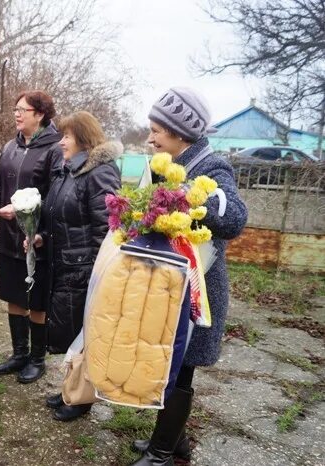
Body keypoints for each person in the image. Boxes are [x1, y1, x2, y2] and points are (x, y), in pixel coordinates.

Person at [130, 87, 248, 465]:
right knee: (169, 363)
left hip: (198, 293)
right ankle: (173, 442)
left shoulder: (213, 168)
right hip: (168, 285)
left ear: (180, 133)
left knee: (182, 369)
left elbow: (234, 218)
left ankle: (163, 452)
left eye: (156, 131)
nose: (150, 138)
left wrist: (187, 196)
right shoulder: (162, 166)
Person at [29, 111, 121, 421]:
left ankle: (82, 399)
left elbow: (107, 229)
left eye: (67, 136)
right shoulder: (66, 171)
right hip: (63, 266)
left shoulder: (100, 173)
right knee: (72, 334)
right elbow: (55, 217)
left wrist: (98, 274)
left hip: (84, 270)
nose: (62, 141)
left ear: (83, 138)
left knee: (86, 336)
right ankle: (71, 388)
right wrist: (40, 236)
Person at [0, 90, 62, 384]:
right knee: (14, 296)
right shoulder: (10, 147)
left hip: (37, 240)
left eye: (23, 110)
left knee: (36, 301)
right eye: (15, 109)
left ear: (40, 114)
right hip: (10, 237)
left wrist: (26, 213)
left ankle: (37, 360)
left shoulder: (55, 149)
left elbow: (56, 197)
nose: (17, 114)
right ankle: (19, 354)